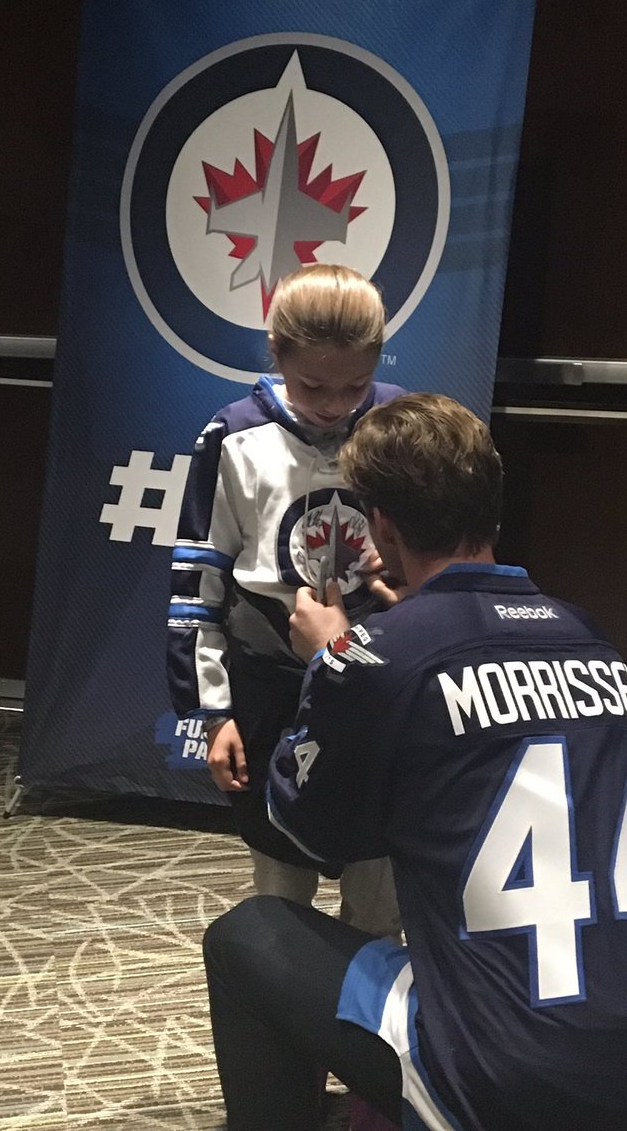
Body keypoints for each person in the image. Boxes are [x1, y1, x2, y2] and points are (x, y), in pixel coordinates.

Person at [202, 393, 627, 1131]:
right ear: (495, 511)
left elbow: (310, 830)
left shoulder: (377, 660)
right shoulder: (593, 640)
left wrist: (331, 660)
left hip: (513, 1088)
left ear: (380, 525)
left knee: (251, 934)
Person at [167, 263, 403, 942]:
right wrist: (212, 715)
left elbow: (441, 551)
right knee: (280, 888)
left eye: (354, 384)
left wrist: (408, 574)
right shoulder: (232, 437)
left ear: (378, 363)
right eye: (312, 386)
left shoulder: (396, 422)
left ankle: (371, 1037)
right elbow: (198, 581)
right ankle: (287, 1028)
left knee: (380, 887)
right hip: (271, 680)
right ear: (276, 355)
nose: (334, 405)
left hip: (377, 681)